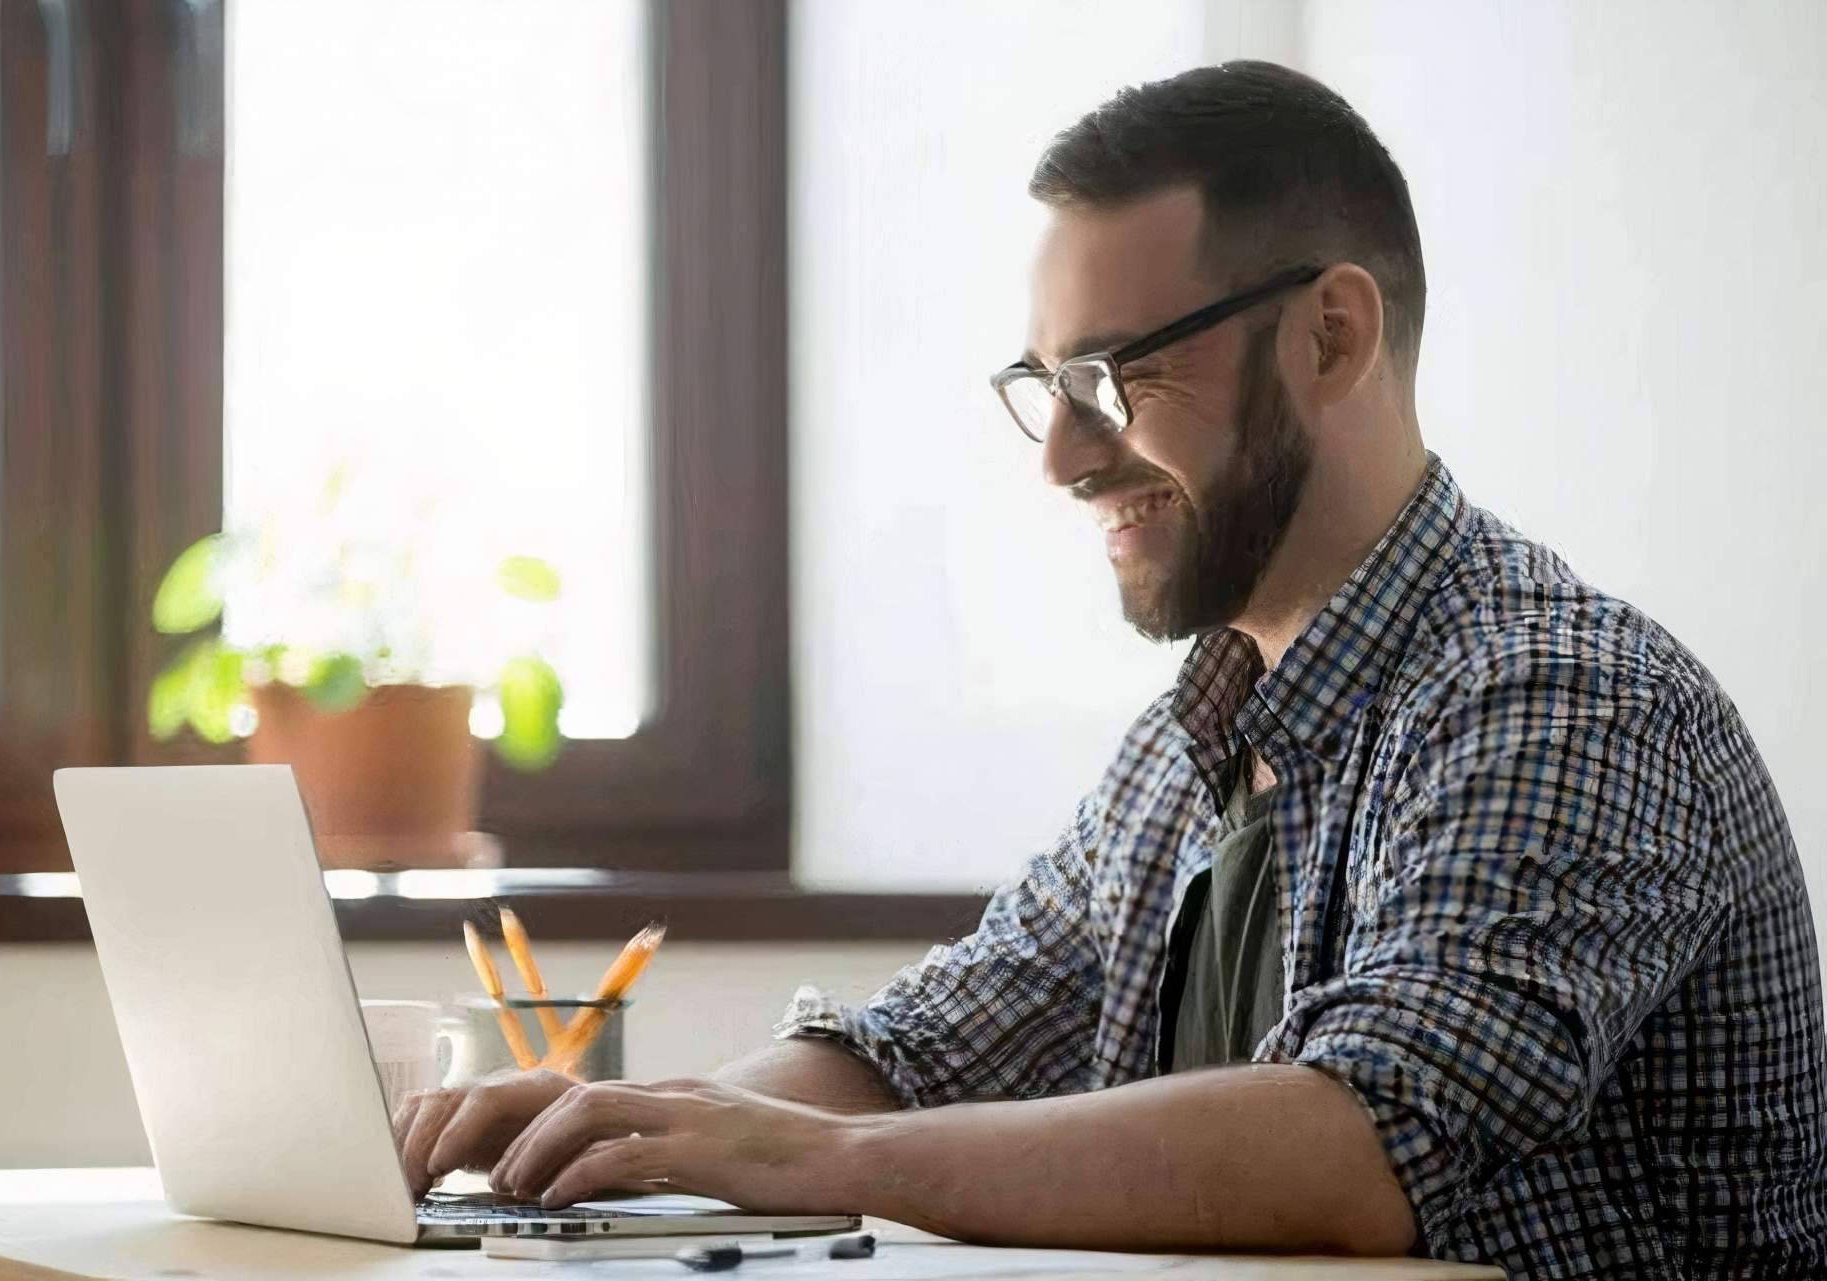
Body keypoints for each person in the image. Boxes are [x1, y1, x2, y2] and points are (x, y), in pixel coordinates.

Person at [394, 61, 1826, 1278]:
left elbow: (1368, 1138)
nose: (1066, 459)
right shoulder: (1189, 739)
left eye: (1116, 375)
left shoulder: (1558, 697)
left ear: (1333, 335)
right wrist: (626, 1129)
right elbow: (926, 1050)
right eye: (1046, 386)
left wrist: (807, 1155)